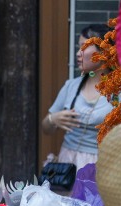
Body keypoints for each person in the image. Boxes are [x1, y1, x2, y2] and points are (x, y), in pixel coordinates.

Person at [41, 24, 112, 171]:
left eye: (84, 47)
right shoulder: (71, 86)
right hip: (67, 164)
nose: (78, 53)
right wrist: (52, 119)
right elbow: (46, 129)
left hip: (102, 167)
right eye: (78, 47)